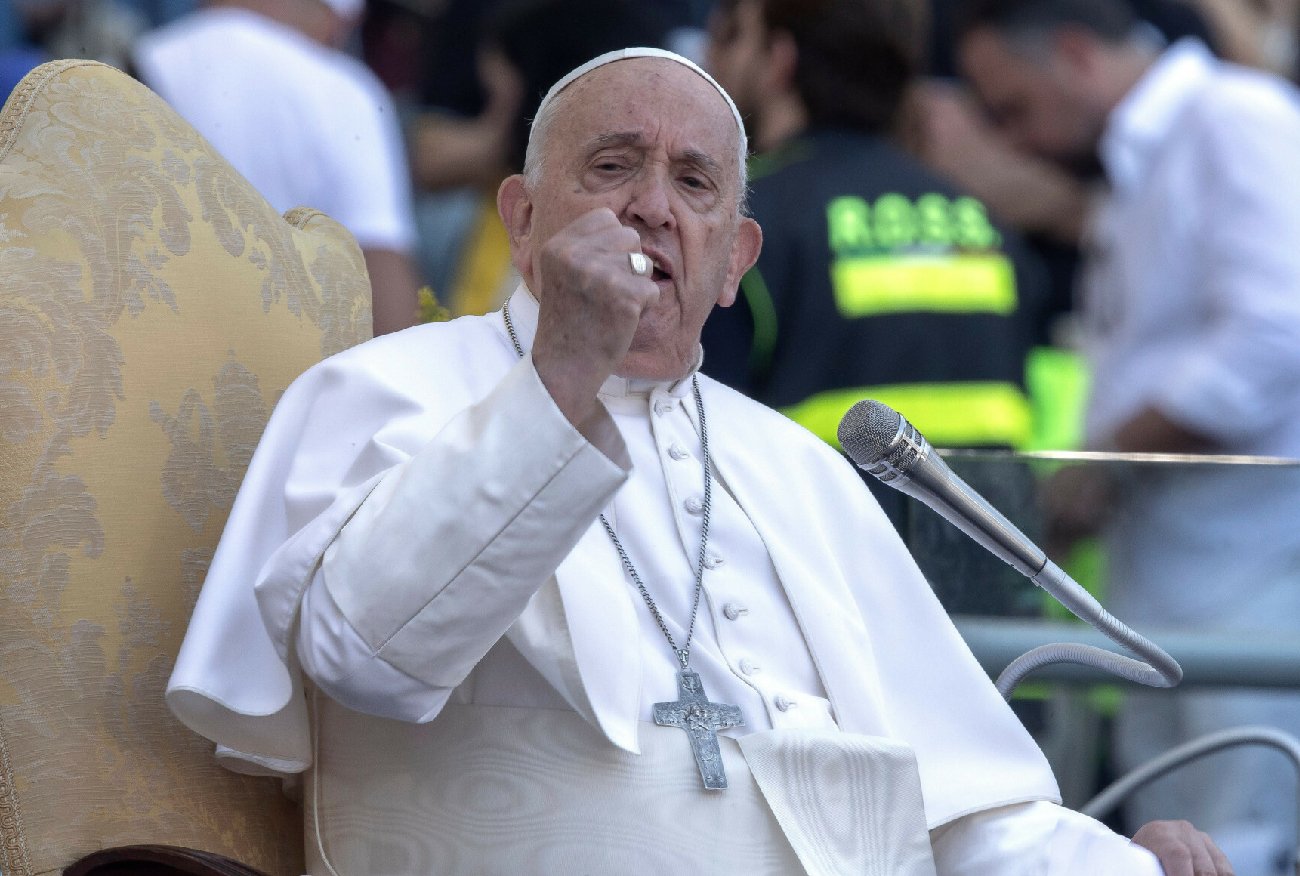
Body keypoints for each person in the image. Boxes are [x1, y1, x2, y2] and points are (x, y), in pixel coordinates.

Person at [165, 46, 1232, 874]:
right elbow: (368, 657)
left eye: (693, 182)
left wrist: (1128, 862)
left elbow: (959, 817)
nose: (651, 207)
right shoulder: (384, 391)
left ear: (733, 261)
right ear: (522, 223)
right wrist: (561, 376)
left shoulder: (796, 467)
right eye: (612, 166)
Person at [958, 2, 1300, 873]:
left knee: (1239, 842)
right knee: (1166, 842)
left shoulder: (1236, 117)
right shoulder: (1152, 154)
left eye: (1013, 106)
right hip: (1173, 576)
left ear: (1074, 53)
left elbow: (1276, 334)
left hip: (1250, 573)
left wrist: (1105, 469)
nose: (1015, 138)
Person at [701, 0, 1052, 456]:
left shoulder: (742, 216)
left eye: (734, 36)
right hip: (980, 523)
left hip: (817, 525)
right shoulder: (984, 221)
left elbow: (702, 429)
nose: (712, 59)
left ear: (779, 60)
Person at [132, 0, 423, 335]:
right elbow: (384, 282)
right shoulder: (343, 90)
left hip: (147, 347)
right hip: (292, 370)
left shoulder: (140, 58)